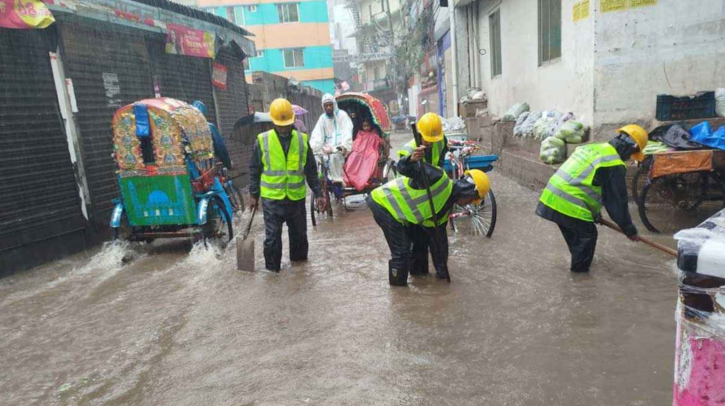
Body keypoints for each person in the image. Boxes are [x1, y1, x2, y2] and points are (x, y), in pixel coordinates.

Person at [536, 124, 649, 273]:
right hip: (567, 204)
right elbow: (616, 203)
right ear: (633, 147)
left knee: (579, 238)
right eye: (632, 155)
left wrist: (594, 213)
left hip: (551, 197)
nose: (629, 159)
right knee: (587, 235)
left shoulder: (595, 148)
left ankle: (577, 267)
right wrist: (629, 230)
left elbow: (585, 183)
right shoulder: (613, 163)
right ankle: (579, 282)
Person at [367, 155, 491, 286]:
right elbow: (403, 167)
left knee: (420, 243)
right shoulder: (438, 177)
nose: (469, 204)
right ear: (470, 192)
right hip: (384, 203)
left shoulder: (445, 209)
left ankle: (418, 277)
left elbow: (439, 244)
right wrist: (411, 159)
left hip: (401, 213)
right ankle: (399, 294)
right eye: (472, 199)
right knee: (402, 251)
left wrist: (442, 273)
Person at [249, 98, 327, 272]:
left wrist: (319, 193)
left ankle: (299, 275)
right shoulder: (262, 141)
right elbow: (254, 169)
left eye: (286, 124)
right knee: (272, 240)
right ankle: (272, 273)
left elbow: (311, 170)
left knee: (299, 239)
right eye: (280, 125)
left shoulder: (301, 140)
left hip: (296, 199)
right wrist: (254, 195)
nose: (283, 128)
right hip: (272, 200)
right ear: (274, 122)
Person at [310, 93, 353, 183]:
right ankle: (321, 182)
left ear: (334, 104)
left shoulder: (342, 115)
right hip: (327, 148)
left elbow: (347, 133)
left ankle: (338, 181)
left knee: (334, 156)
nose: (328, 107)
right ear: (323, 107)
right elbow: (317, 136)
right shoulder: (322, 119)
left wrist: (343, 146)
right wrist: (312, 148)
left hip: (340, 148)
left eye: (330, 105)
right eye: (326, 105)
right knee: (315, 157)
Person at [192, 100, 232, 169]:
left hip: (192, 169)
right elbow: (220, 147)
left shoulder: (186, 128)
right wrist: (227, 164)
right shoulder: (209, 127)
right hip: (209, 166)